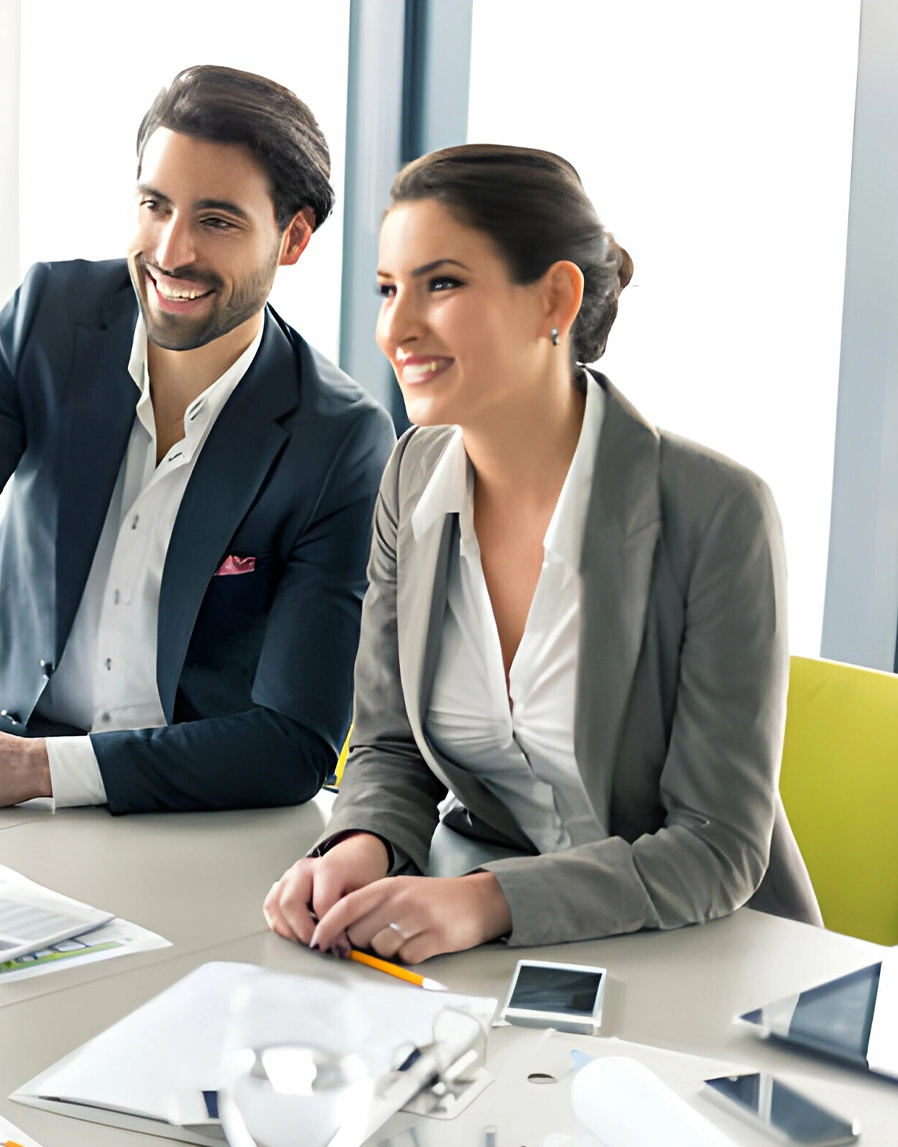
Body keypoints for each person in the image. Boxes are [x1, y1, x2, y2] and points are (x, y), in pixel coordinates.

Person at [263, 144, 820, 960]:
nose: (396, 327)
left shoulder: (716, 511)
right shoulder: (411, 475)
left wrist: (486, 902)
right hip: (495, 957)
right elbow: (387, 745)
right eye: (388, 289)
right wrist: (362, 844)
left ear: (554, 297)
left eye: (441, 283)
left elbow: (716, 844)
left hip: (699, 953)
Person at [0, 65, 396, 813]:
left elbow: (294, 741)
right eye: (154, 205)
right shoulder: (49, 316)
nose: (170, 250)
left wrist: (38, 768)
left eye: (216, 220)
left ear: (291, 237)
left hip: (166, 800)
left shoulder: (338, 439)